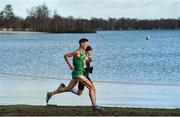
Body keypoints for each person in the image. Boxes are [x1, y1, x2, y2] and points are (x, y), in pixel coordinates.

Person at [46, 38, 102, 111]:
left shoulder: (83, 53)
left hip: (78, 74)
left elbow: (85, 59)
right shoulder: (77, 52)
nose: (87, 45)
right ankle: (94, 106)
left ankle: (50, 94)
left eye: (87, 44)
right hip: (78, 74)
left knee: (68, 88)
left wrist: (89, 59)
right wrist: (70, 65)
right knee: (92, 88)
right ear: (82, 44)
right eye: (86, 44)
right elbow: (66, 56)